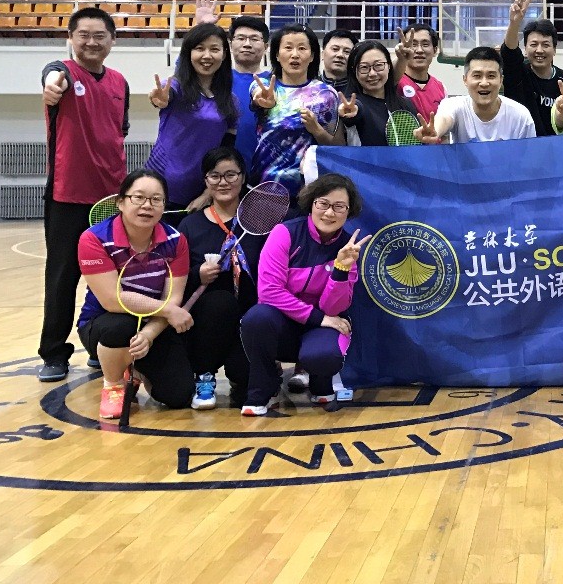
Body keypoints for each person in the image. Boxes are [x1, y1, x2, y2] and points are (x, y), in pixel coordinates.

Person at [38, 7, 130, 382]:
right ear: (71, 39)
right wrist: (51, 84)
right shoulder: (61, 73)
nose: (91, 42)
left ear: (112, 41)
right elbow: (51, 75)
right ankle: (53, 353)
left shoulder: (120, 82)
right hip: (67, 196)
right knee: (62, 278)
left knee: (113, 278)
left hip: (112, 200)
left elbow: (118, 133)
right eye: (83, 35)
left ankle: (101, 344)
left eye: (99, 36)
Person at [239, 174, 369, 415]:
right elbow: (269, 292)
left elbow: (333, 308)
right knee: (256, 318)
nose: (329, 213)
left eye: (339, 206)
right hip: (285, 322)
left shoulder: (348, 248)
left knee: (323, 356)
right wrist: (318, 318)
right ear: (311, 203)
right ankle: (262, 390)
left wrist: (341, 268)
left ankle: (321, 382)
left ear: (349, 211)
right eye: (323, 203)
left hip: (322, 324)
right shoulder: (284, 233)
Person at [76, 170, 193, 419]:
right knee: (121, 325)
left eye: (156, 199)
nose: (147, 206)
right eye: (138, 197)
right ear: (120, 202)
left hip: (153, 325)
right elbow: (113, 299)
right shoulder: (94, 238)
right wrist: (169, 311)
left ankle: (135, 369)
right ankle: (113, 383)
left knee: (178, 395)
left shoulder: (176, 241)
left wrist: (149, 334)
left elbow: (172, 298)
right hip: (104, 324)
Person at [177, 147, 269, 410]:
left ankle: (246, 371)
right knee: (220, 302)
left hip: (249, 316)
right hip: (207, 319)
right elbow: (176, 277)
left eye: (231, 174)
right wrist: (198, 274)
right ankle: (204, 375)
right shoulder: (190, 225)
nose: (223, 182)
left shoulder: (261, 223)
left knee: (254, 388)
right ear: (205, 181)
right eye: (215, 176)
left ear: (243, 177)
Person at [144, 23, 239, 222]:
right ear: (188, 53)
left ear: (224, 54)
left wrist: (208, 193)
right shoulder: (176, 87)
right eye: (199, 48)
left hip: (200, 192)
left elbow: (225, 151)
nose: (207, 55)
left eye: (214, 49)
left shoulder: (229, 101)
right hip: (159, 185)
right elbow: (163, 96)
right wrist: (158, 98)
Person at [249, 24, 342, 199]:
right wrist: (264, 101)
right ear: (277, 55)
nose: (295, 54)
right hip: (264, 182)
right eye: (288, 47)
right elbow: (258, 97)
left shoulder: (326, 94)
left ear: (312, 55)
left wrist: (316, 129)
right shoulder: (264, 86)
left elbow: (337, 147)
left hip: (308, 189)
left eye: (302, 48)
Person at [419, 46, 536, 144]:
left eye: (491, 76)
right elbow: (445, 118)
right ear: (465, 80)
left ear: (501, 80)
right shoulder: (453, 105)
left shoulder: (521, 116)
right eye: (477, 76)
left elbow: (528, 158)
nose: (484, 83)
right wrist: (436, 131)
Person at [501, 0, 563, 137]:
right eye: (533, 44)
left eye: (545, 45)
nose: (539, 50)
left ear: (554, 50)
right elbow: (509, 52)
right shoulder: (518, 74)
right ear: (525, 49)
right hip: (522, 146)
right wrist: (514, 23)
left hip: (556, 147)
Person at [338, 40, 419, 147]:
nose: (372, 73)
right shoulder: (353, 105)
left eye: (379, 65)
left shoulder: (406, 104)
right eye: (364, 67)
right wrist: (350, 111)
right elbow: (355, 110)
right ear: (355, 71)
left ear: (389, 66)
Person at [228, 15, 270, 169]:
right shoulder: (217, 79)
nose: (247, 44)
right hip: (224, 172)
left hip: (266, 169)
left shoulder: (275, 82)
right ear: (230, 44)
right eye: (241, 38)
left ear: (266, 46)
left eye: (254, 39)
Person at [398, 22, 446, 120]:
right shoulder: (393, 83)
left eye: (425, 44)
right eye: (413, 44)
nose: (419, 50)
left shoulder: (441, 88)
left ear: (435, 50)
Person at [319, 29, 358, 94]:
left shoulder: (361, 90)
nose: (340, 55)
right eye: (335, 49)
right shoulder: (309, 88)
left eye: (347, 51)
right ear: (322, 54)